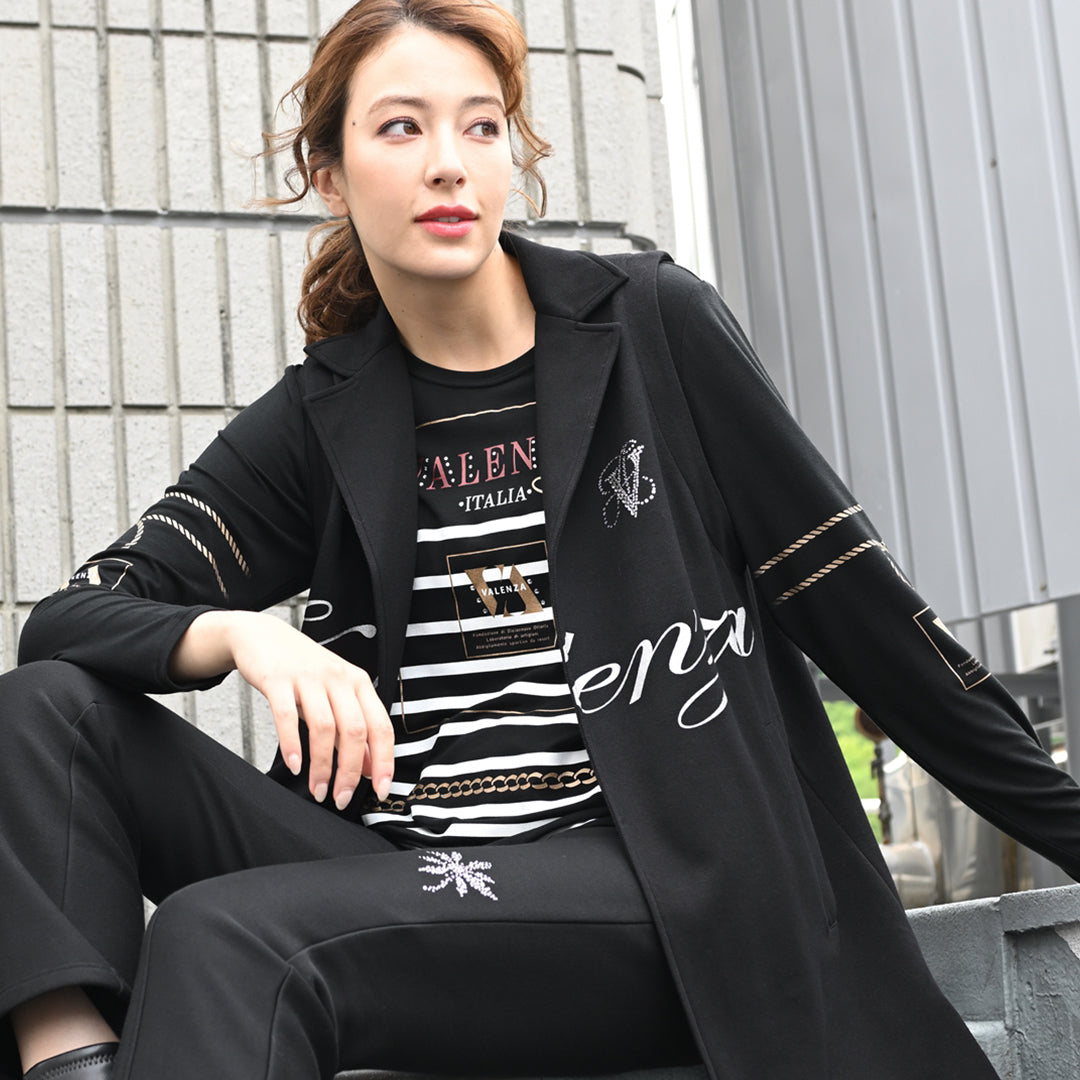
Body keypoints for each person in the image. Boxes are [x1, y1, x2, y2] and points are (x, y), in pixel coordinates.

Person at [2, 0, 1080, 1077]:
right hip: (415, 881)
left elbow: (869, 618)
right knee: (45, 713)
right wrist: (245, 633)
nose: (449, 162)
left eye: (481, 126)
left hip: (658, 894)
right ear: (327, 175)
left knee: (224, 933)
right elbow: (68, 619)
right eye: (401, 127)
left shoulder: (649, 329)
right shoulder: (321, 419)